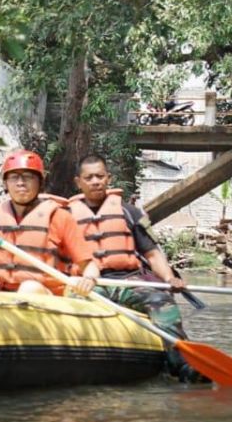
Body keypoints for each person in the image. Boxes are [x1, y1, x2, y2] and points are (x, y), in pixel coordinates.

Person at [70, 154, 207, 382]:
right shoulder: (66, 216)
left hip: (129, 282)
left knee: (162, 303)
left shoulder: (129, 213)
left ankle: (181, 364)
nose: (95, 181)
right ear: (78, 182)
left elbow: (152, 254)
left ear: (108, 178)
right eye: (89, 177)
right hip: (91, 284)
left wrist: (169, 278)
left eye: (100, 176)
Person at [0, 150, 100, 295]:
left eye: (28, 177)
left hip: (43, 292)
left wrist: (89, 279)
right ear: (6, 183)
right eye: (14, 177)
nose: (20, 183)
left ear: (40, 182)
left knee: (28, 289)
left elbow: (90, 266)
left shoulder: (60, 217)